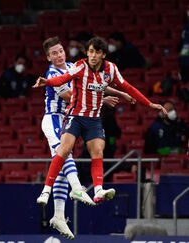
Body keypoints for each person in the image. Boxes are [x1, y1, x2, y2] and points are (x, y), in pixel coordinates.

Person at [33, 36, 167, 206]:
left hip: (93, 119)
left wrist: (148, 103)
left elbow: (126, 86)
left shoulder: (110, 69)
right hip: (73, 115)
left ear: (103, 54)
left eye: (97, 52)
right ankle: (47, 191)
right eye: (90, 51)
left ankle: (98, 191)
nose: (93, 55)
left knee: (98, 151)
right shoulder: (79, 66)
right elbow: (63, 83)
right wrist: (48, 82)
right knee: (64, 150)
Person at [38, 36, 136, 239]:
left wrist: (116, 93)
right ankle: (77, 189)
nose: (59, 55)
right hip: (54, 118)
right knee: (64, 155)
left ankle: (58, 216)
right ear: (48, 58)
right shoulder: (53, 72)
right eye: (54, 53)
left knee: (63, 167)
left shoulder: (75, 65)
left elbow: (95, 84)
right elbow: (71, 96)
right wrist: (99, 99)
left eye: (60, 51)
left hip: (69, 119)